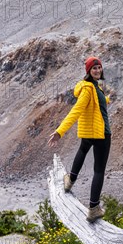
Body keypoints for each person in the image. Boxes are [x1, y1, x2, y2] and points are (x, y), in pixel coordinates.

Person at [48, 56, 112, 222]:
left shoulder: (90, 87)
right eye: (94, 68)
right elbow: (75, 111)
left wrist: (105, 100)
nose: (97, 70)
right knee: (99, 171)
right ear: (88, 71)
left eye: (99, 67)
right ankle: (93, 208)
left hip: (88, 132)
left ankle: (70, 180)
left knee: (82, 150)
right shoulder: (88, 89)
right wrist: (59, 132)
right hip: (101, 134)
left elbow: (95, 103)